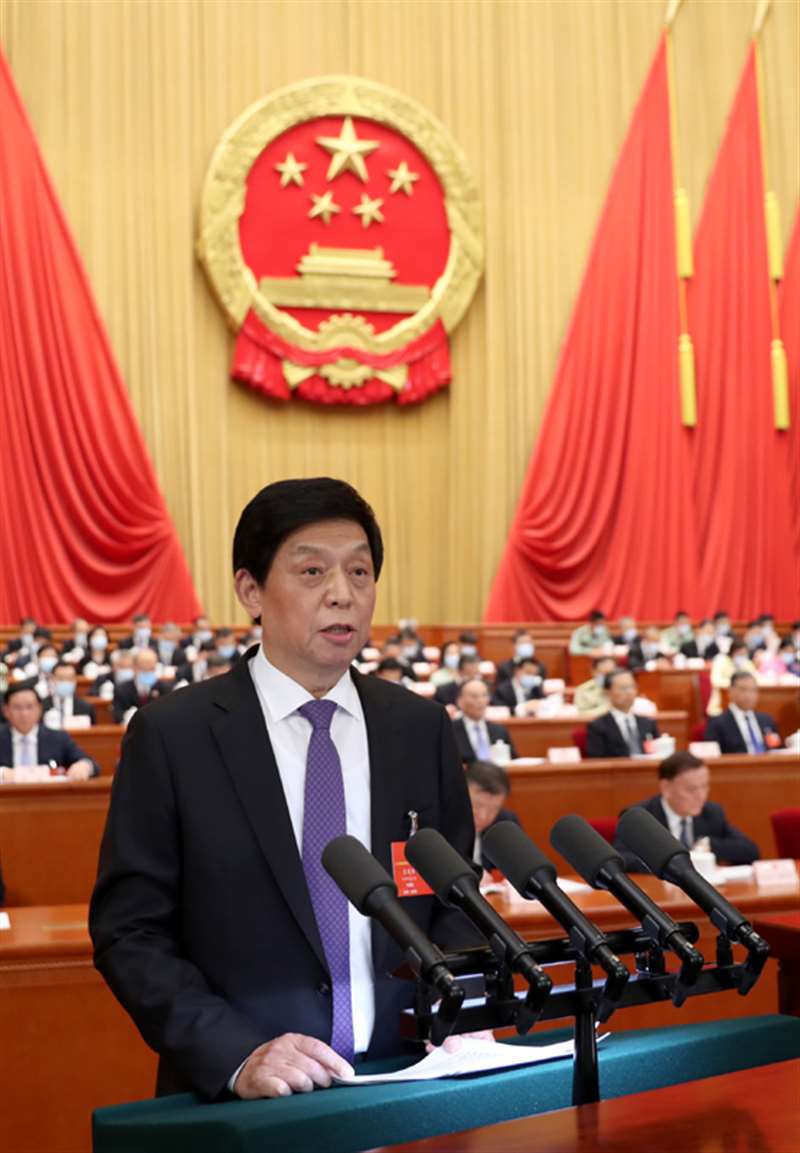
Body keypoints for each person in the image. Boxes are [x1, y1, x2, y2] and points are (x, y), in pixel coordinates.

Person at [90, 477, 478, 1103]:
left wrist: (460, 1008)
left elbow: (455, 900)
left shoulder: (419, 727)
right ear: (251, 590)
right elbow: (130, 932)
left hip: (410, 1084)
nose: (342, 594)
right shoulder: (173, 735)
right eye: (312, 571)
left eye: (359, 572)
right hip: (251, 1099)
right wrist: (235, 1053)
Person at [613, 751, 759, 871]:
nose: (701, 796)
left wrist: (708, 845)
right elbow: (620, 858)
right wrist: (666, 862)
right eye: (691, 789)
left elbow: (750, 850)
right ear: (666, 787)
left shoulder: (711, 812)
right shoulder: (640, 818)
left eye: (705, 787)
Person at [0, 680, 99, 778]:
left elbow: (91, 764)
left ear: (39, 708)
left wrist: (84, 766)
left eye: (29, 707)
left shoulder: (58, 738)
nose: (24, 714)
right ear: (6, 710)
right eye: (17, 707)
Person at [585, 670, 660, 758]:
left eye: (632, 687)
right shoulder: (598, 727)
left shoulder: (648, 723)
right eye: (623, 688)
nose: (629, 692)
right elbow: (597, 760)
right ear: (607, 692)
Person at [464, 760, 521, 872]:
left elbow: (518, 867)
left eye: (494, 809)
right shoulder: (440, 827)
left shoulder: (506, 824)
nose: (484, 816)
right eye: (477, 805)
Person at [704, 672, 780, 754]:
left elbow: (776, 748)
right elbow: (713, 756)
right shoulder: (717, 723)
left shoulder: (766, 720)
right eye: (743, 689)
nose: (749, 695)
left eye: (753, 690)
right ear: (730, 692)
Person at [452, 678, 518, 762]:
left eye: (484, 696)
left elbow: (514, 760)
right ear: (460, 701)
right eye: (474, 696)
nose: (480, 701)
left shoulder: (499, 730)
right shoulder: (450, 731)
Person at [111, 648, 173, 723]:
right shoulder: (122, 690)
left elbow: (168, 714)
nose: (147, 671)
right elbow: (118, 716)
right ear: (134, 667)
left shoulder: (165, 689)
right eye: (144, 668)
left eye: (151, 668)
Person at [45, 662, 97, 726]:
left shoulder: (86, 708)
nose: (65, 682)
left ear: (75, 680)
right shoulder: (42, 706)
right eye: (61, 679)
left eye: (69, 679)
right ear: (52, 679)